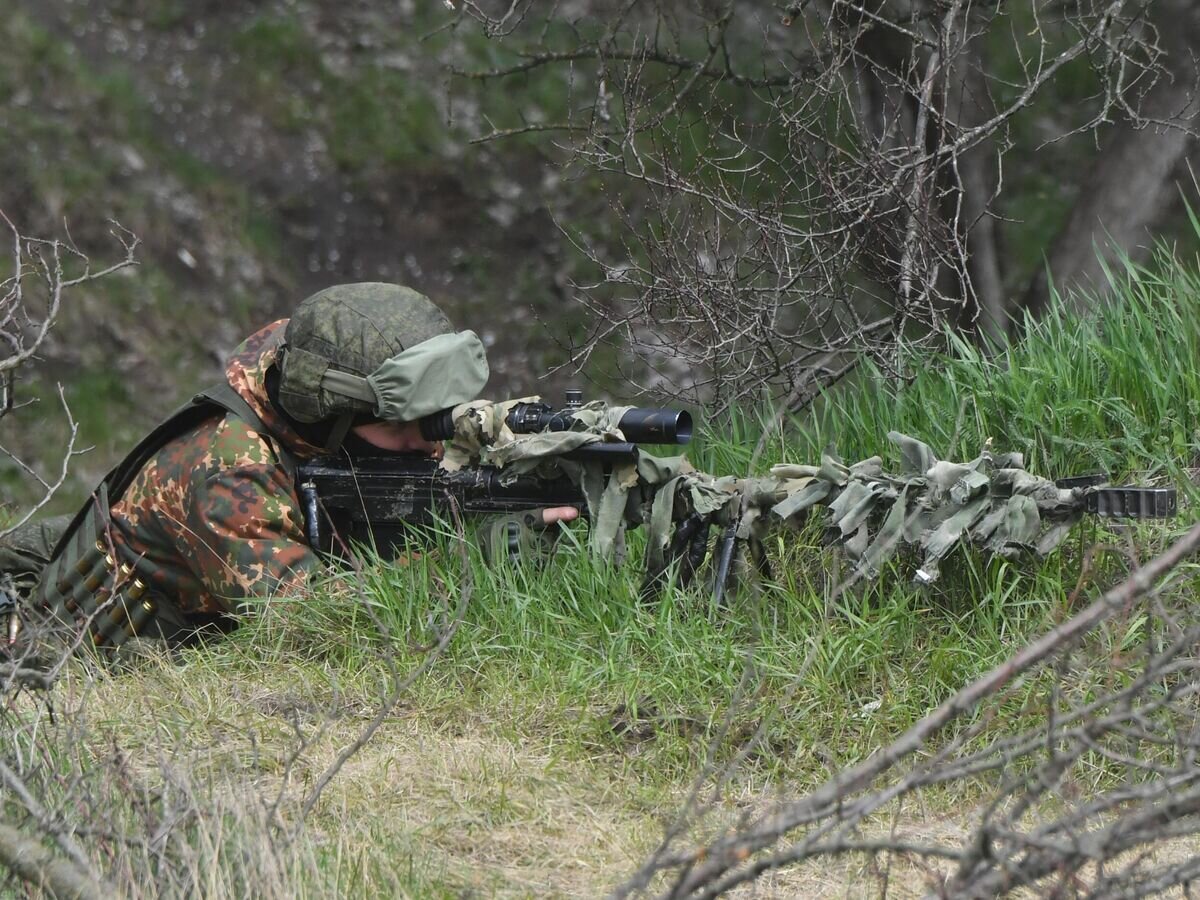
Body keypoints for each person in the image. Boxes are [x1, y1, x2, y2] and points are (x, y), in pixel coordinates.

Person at [0, 283, 577, 658]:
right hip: (68, 655)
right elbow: (314, 625)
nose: (425, 443)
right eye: (405, 426)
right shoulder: (229, 471)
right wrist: (473, 559)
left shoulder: (304, 370)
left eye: (435, 420)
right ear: (333, 414)